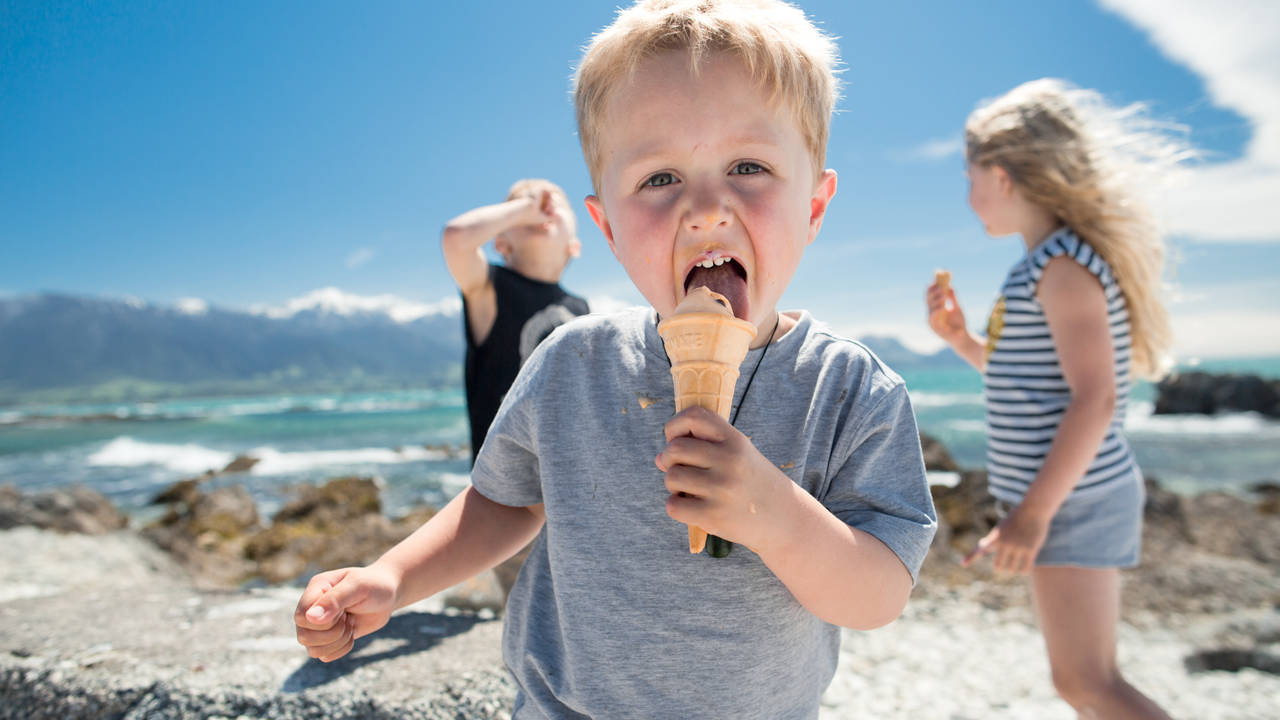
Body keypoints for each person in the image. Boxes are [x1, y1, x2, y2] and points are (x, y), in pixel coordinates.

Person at [296, 1, 936, 717]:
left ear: (813, 209)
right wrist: (393, 577)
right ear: (606, 228)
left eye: (749, 166)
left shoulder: (850, 390)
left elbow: (880, 593)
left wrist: (776, 517)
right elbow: (504, 502)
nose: (706, 209)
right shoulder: (571, 364)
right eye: (659, 178)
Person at [925, 78, 1178, 719]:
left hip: (1075, 499)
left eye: (970, 177)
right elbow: (1025, 379)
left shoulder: (1063, 268)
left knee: (1088, 683)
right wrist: (961, 341)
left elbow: (1097, 399)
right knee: (1082, 683)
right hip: (1062, 497)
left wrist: (1033, 515)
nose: (968, 196)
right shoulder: (1039, 267)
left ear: (1002, 176)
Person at [441, 179, 589, 464]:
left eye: (555, 205)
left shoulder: (581, 308)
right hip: (500, 482)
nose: (542, 208)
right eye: (529, 202)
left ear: (574, 247)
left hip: (566, 473)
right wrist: (524, 209)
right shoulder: (490, 287)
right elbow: (456, 238)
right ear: (500, 243)